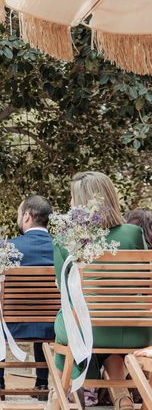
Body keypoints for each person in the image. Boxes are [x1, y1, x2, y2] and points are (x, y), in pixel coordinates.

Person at [54, 171, 152, 410]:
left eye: (72, 198)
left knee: (73, 321)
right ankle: (121, 395)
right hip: (136, 330)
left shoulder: (66, 237)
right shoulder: (133, 233)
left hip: (88, 328)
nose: (69, 203)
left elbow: (63, 290)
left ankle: (57, 394)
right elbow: (141, 282)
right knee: (98, 325)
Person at [0, 195, 55, 399]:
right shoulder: (62, 248)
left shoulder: (7, 248)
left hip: (11, 323)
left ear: (27, 217)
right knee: (42, 314)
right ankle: (42, 383)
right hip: (51, 325)